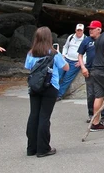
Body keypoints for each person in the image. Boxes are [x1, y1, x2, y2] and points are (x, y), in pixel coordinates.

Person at [25, 26, 69, 157]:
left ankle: (31, 147)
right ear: (49, 38)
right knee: (44, 117)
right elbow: (66, 67)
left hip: (34, 87)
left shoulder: (31, 53)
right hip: (50, 87)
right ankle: (43, 148)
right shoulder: (54, 53)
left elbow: (28, 67)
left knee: (34, 115)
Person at [56, 23, 86, 100]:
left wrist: (82, 62)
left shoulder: (85, 40)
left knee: (67, 79)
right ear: (75, 30)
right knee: (58, 75)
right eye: (78, 30)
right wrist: (63, 55)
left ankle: (59, 95)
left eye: (81, 30)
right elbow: (65, 47)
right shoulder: (71, 37)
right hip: (66, 59)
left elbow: (87, 53)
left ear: (83, 31)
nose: (79, 32)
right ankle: (52, 91)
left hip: (76, 62)